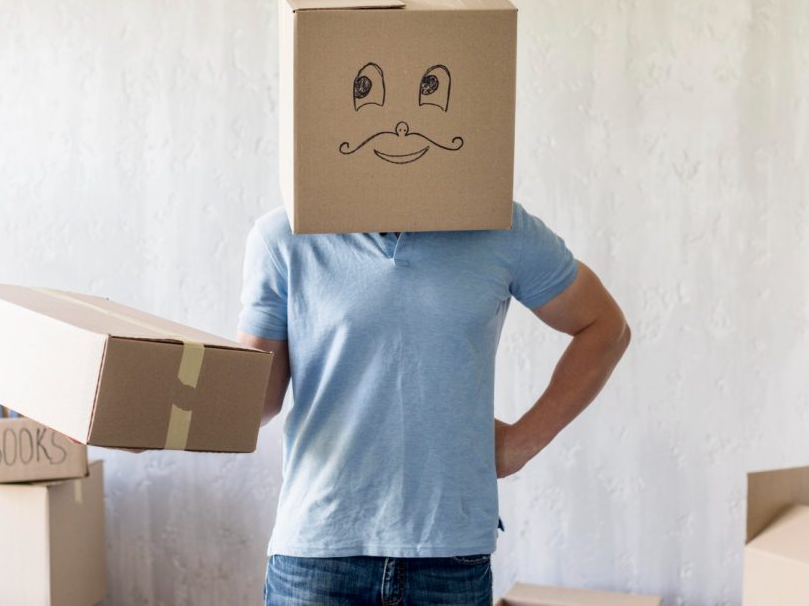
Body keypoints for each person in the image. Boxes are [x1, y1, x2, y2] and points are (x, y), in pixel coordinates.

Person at [238, 202, 630, 605]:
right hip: (320, 554)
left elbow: (605, 329)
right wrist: (196, 400)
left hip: (448, 554)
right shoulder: (283, 236)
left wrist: (521, 444)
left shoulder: (500, 227)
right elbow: (258, 405)